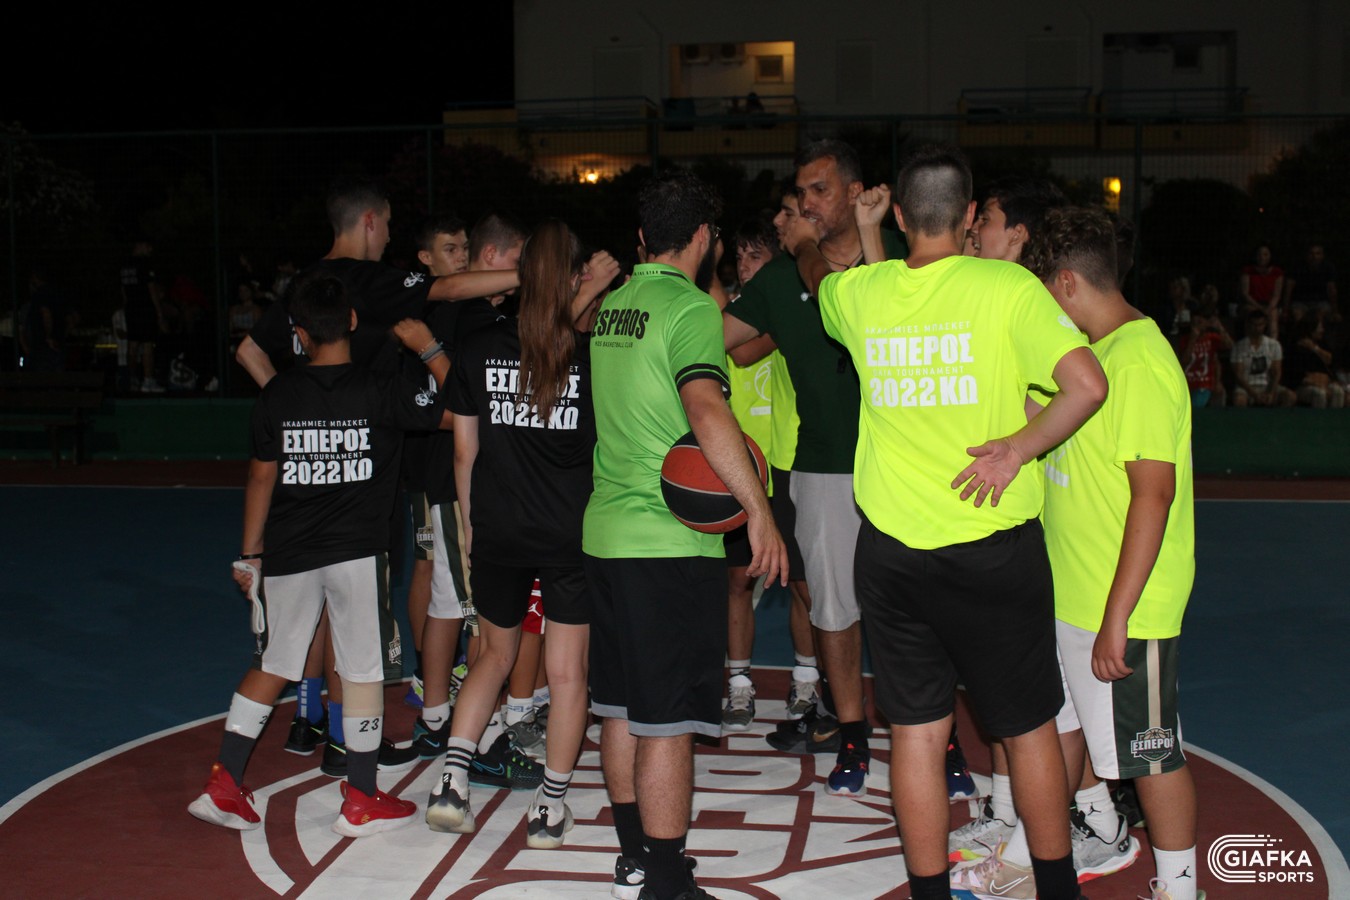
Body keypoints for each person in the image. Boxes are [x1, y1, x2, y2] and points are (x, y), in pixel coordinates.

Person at [792, 143, 1105, 900]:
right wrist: (1017, 450)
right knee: (1027, 728)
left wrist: (812, 238)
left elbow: (829, 278)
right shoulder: (1008, 287)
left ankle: (930, 892)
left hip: (894, 556)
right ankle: (1056, 887)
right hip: (993, 549)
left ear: (901, 216)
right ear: (968, 216)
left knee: (917, 734)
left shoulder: (860, 295)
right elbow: (1087, 385)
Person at [187, 271, 450, 837]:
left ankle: (224, 781)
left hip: (289, 550)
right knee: (362, 669)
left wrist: (249, 555)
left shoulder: (278, 393)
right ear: (352, 320)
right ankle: (360, 797)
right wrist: (428, 350)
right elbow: (457, 410)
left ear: (300, 333)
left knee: (274, 662)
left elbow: (261, 478)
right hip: (358, 553)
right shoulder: (381, 388)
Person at [585, 170, 786, 900]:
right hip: (667, 543)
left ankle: (636, 855)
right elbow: (705, 408)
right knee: (666, 721)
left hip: (606, 533)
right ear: (706, 238)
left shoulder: (613, 304)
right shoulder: (692, 307)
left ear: (642, 237)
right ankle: (667, 881)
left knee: (621, 706)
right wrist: (758, 507)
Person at [1021, 206, 1204, 900]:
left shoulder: (1139, 362)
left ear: (1067, 283)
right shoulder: (1093, 359)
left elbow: (1153, 496)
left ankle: (1180, 888)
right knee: (1073, 733)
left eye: (1045, 291)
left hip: (1122, 603)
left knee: (1152, 754)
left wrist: (1118, 616)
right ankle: (1096, 829)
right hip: (1075, 591)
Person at [426, 220, 620, 850]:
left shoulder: (479, 346)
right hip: (569, 533)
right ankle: (549, 810)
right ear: (574, 279)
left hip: (498, 528)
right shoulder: (591, 355)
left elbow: (464, 452)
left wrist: (470, 528)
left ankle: (450, 783)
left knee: (492, 656)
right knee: (566, 674)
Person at [724, 140, 905, 798]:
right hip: (824, 468)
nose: (805, 204)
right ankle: (851, 734)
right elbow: (714, 343)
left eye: (819, 190)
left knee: (914, 610)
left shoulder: (904, 256)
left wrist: (805, 252)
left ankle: (932, 737)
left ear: (857, 193)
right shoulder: (778, 279)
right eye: (800, 192)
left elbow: (849, 307)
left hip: (909, 465)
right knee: (833, 610)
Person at [120, 240, 166, 392]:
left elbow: (123, 289)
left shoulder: (125, 265)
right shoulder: (145, 263)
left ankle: (132, 379)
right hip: (145, 307)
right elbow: (151, 288)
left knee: (132, 344)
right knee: (147, 344)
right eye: (147, 246)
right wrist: (159, 312)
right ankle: (148, 380)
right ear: (139, 245)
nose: (150, 249)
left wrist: (127, 305)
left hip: (131, 308)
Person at [1231, 311, 1295, 407]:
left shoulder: (1274, 345)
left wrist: (1271, 393)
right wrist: (1254, 394)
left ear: (1265, 325)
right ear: (1248, 325)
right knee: (1239, 400)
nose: (1257, 328)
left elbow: (1276, 373)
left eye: (1260, 325)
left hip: (1267, 386)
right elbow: (1238, 375)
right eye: (1254, 325)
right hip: (1246, 387)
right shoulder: (1238, 347)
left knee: (1290, 396)